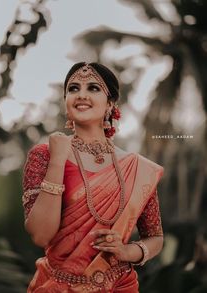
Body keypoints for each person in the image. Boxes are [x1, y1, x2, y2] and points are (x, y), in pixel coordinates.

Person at [22, 62, 164, 293]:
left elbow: (155, 237)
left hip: (119, 285)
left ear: (110, 104)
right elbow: (40, 235)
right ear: (66, 100)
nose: (82, 95)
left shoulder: (137, 168)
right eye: (73, 88)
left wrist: (126, 251)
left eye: (93, 89)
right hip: (58, 285)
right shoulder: (45, 155)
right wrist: (58, 160)